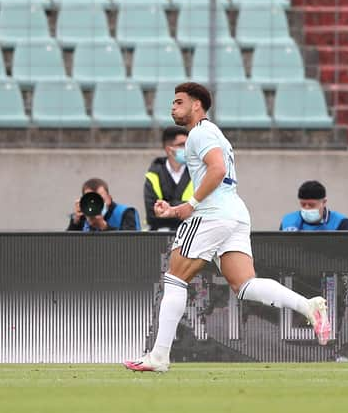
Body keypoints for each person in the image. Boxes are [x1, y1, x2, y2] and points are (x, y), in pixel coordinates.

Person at [124, 82, 330, 373]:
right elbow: (218, 176)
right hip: (233, 212)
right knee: (245, 285)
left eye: (179, 102)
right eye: (173, 102)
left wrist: (192, 204)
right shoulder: (214, 133)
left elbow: (217, 170)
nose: (173, 107)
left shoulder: (199, 132)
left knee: (174, 279)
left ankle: (158, 356)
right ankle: (308, 306)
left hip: (212, 214)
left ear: (197, 105)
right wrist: (176, 208)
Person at [144, 127, 194, 231]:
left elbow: (200, 209)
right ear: (168, 149)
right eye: (181, 145)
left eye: (188, 145)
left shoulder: (197, 172)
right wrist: (184, 207)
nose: (187, 148)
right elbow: (152, 214)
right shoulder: (153, 175)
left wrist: (169, 208)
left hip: (191, 233)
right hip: (160, 235)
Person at [279, 180, 348, 231]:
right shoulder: (288, 221)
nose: (306, 208)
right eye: (303, 204)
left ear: (324, 202)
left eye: (311, 205)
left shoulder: (341, 223)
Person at [67, 178, 141, 231]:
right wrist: (75, 223)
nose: (94, 204)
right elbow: (66, 248)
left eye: (99, 199)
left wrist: (104, 227)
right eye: (91, 200)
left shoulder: (126, 213)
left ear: (109, 198)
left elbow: (131, 245)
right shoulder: (82, 216)